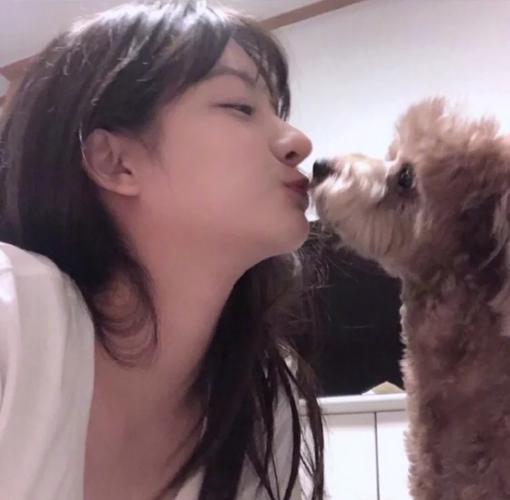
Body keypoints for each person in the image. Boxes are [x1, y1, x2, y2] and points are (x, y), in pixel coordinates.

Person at [0, 1, 324, 499]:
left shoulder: (257, 399)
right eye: (240, 107)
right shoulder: (14, 315)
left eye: (279, 113)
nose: (298, 141)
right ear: (116, 162)